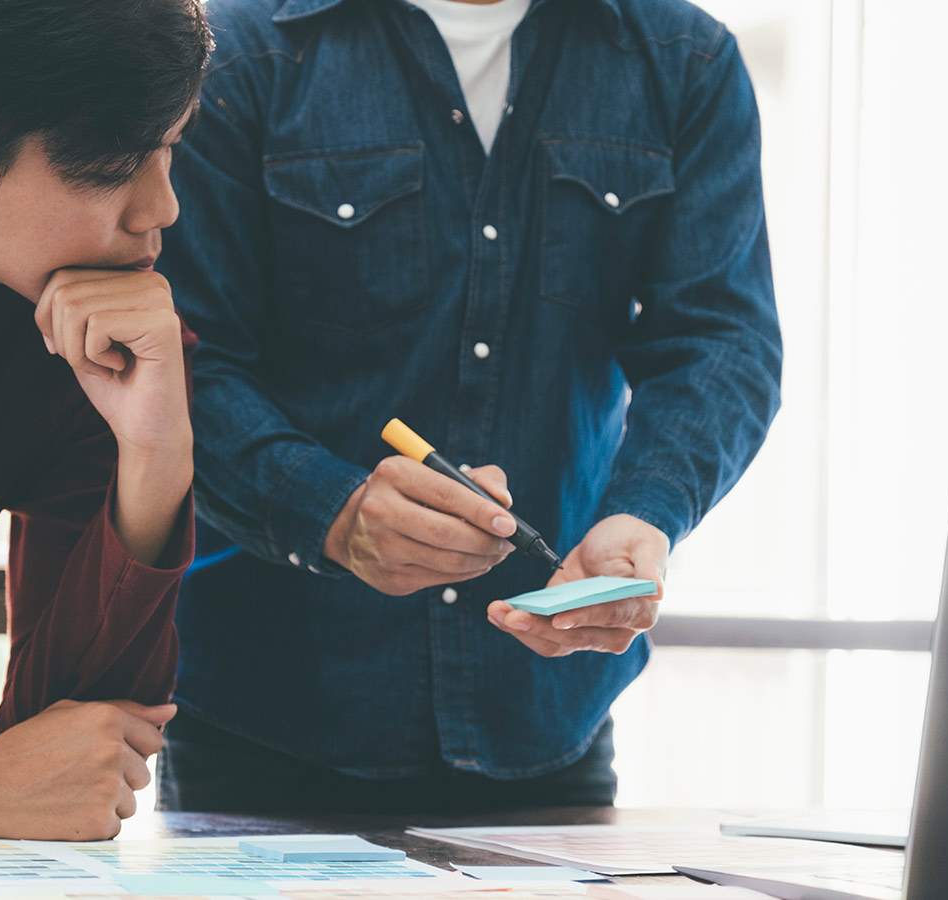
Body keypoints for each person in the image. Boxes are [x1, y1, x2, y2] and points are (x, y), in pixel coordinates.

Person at [158, 0, 781, 813]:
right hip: (270, 718)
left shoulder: (682, 59)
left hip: (544, 715)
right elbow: (184, 363)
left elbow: (723, 343)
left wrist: (648, 513)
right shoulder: (237, 52)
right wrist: (333, 513)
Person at [0, 0, 212, 839]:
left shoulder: (75, 337)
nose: (161, 210)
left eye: (169, 150)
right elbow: (3, 786)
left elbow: (73, 757)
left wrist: (154, 456)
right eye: (115, 164)